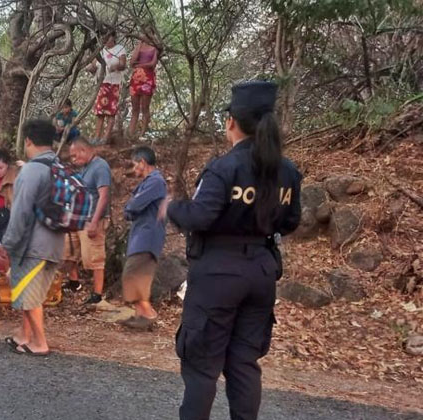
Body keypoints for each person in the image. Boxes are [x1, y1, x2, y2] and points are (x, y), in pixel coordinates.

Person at [159, 81, 302, 420]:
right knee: (244, 362)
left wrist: (171, 207)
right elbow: (291, 221)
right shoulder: (288, 171)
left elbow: (200, 216)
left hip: (219, 275)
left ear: (231, 122)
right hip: (262, 273)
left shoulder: (224, 168)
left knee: (202, 365)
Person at [2, 119, 64, 357]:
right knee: (29, 291)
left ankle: (40, 342)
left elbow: (20, 213)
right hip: (55, 244)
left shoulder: (31, 170)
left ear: (28, 140)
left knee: (28, 295)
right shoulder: (59, 167)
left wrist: (8, 244)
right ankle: (23, 334)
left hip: (33, 246)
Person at [120, 146, 167, 330]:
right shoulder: (149, 182)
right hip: (142, 234)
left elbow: (134, 206)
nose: (134, 169)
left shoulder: (156, 182)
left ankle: (148, 313)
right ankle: (140, 316)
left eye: (134, 165)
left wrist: (129, 207)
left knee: (132, 273)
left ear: (142, 162)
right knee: (139, 275)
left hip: (147, 235)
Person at [61, 138, 112, 307]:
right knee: (69, 252)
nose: (73, 159)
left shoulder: (100, 167)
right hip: (77, 219)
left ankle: (97, 294)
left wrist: (94, 221)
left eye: (75, 156)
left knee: (95, 258)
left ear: (84, 150)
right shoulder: (84, 168)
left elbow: (103, 196)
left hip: (92, 219)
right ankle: (74, 282)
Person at [87, 32, 127, 144]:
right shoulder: (101, 50)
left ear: (113, 37)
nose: (105, 40)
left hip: (114, 84)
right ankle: (96, 137)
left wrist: (115, 66)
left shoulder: (120, 49)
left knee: (111, 111)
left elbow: (123, 65)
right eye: (103, 37)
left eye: (107, 37)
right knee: (100, 111)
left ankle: (106, 137)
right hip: (102, 83)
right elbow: (94, 65)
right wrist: (90, 68)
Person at [128, 32, 159, 138]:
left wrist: (140, 64)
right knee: (135, 108)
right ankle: (130, 134)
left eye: (149, 33)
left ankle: (142, 134)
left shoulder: (155, 47)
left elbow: (152, 64)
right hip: (136, 78)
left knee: (145, 107)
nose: (146, 35)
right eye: (145, 33)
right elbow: (132, 63)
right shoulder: (139, 46)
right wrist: (140, 45)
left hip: (148, 79)